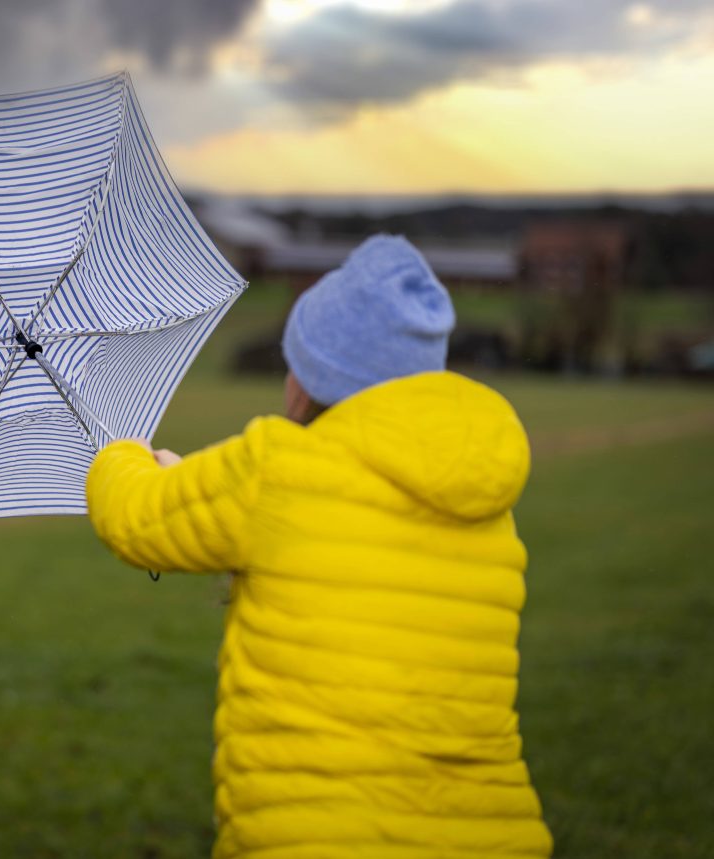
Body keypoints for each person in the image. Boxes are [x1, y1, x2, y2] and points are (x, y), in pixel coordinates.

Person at [86, 235, 553, 859]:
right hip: (490, 833)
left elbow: (135, 517)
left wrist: (121, 451)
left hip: (315, 837)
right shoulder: (485, 505)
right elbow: (335, 533)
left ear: (310, 380)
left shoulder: (274, 473)